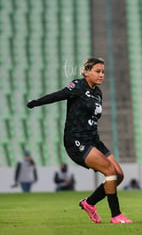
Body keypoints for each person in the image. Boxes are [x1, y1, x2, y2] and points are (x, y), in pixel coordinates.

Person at [27, 57, 132, 223]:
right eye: (97, 71)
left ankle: (89, 203)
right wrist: (35, 103)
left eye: (103, 72)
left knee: (119, 175)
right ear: (87, 72)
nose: (101, 75)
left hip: (93, 139)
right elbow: (58, 95)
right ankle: (116, 215)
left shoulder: (97, 92)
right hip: (77, 141)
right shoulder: (77, 86)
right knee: (110, 172)